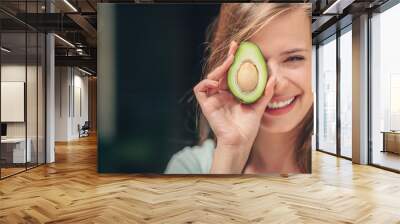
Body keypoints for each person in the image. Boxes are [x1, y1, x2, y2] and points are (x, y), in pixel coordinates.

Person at [165, 3, 313, 174]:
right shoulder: (190, 167)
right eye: (259, 62)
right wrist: (232, 151)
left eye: (294, 58)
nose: (274, 82)